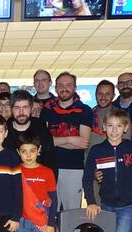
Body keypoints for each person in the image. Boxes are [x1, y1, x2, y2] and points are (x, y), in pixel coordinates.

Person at [83, 110, 132, 232]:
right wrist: (91, 202)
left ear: (126, 128)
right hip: (106, 205)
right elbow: (87, 178)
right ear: (104, 127)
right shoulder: (97, 150)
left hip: (129, 205)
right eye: (110, 126)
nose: (114, 130)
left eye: (119, 126)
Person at [41, 72, 91, 211]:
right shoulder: (46, 110)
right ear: (55, 88)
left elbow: (83, 142)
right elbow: (44, 143)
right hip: (49, 167)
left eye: (69, 85)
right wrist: (70, 139)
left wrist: (55, 141)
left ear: (75, 88)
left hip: (74, 169)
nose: (65, 88)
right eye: (61, 85)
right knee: (50, 211)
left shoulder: (84, 110)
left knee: (72, 212)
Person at [5, 90, 57, 178]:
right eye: (17, 107)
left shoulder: (41, 129)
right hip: (11, 185)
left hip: (38, 183)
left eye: (25, 107)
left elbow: (50, 161)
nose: (21, 112)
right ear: (11, 109)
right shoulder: (4, 131)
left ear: (31, 108)